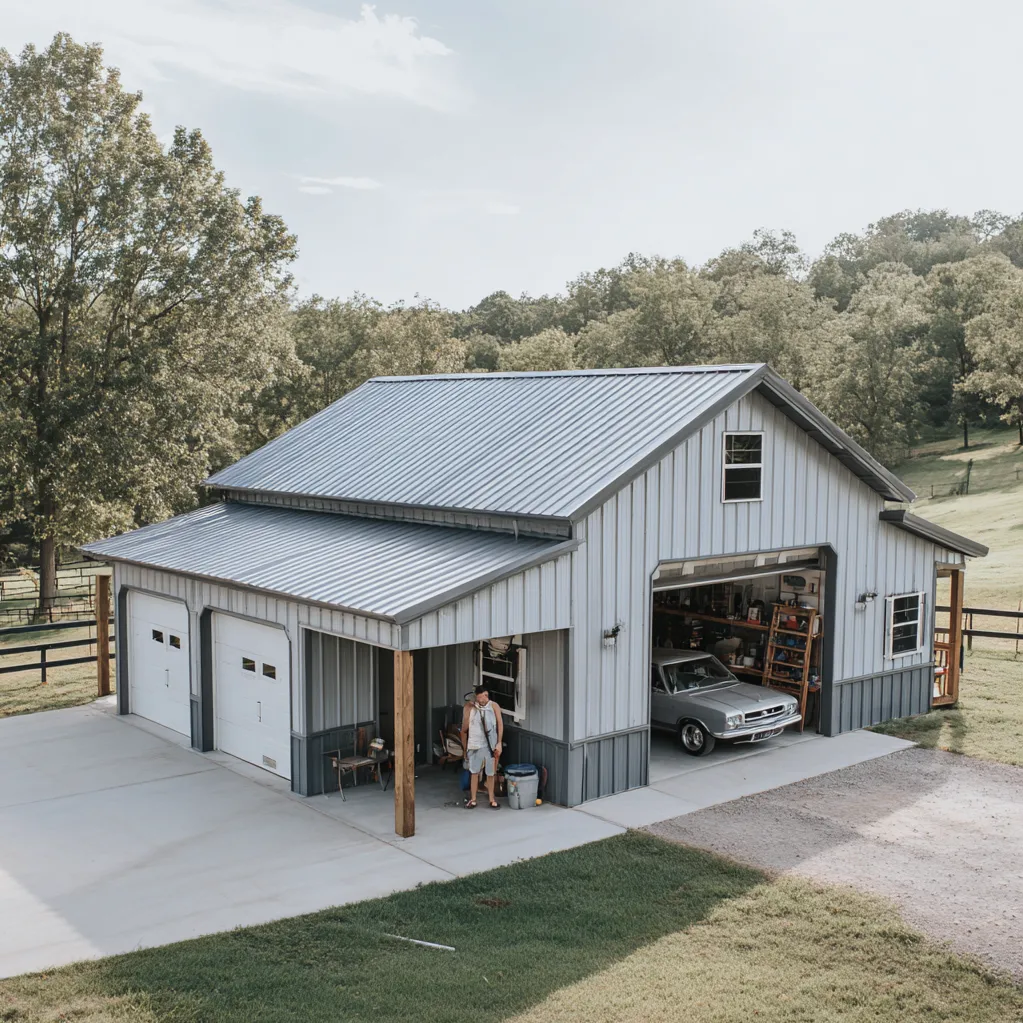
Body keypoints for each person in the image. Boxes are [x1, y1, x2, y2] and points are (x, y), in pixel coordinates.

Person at [460, 684, 503, 809]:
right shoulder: (470, 707)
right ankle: (473, 799)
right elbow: (464, 729)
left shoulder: (494, 706)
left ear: (486, 695)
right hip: (474, 743)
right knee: (474, 772)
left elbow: (500, 724)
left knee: (491, 772)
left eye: (482, 698)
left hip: (490, 744)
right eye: (477, 698)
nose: (480, 700)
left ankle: (492, 799)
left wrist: (499, 742)